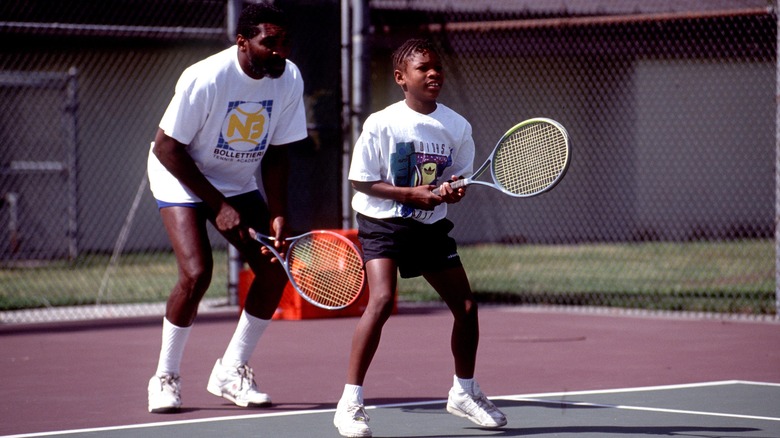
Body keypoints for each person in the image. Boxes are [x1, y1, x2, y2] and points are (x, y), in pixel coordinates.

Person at [333, 38, 507, 437]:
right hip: (383, 222)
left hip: (429, 227)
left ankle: (463, 393)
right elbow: (360, 180)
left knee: (465, 307)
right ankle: (350, 403)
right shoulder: (382, 122)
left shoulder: (457, 126)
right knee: (380, 300)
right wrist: (410, 194)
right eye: (422, 68)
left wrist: (453, 191)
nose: (433, 74)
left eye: (437, 68)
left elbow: (456, 181)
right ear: (401, 78)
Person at [145, 2, 308, 413]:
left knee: (274, 267)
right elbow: (167, 147)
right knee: (197, 273)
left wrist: (277, 210)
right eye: (269, 42)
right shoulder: (206, 77)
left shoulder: (288, 79)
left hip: (233, 178)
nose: (279, 51)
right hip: (179, 171)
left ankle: (231, 370)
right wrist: (217, 205)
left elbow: (277, 153)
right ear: (243, 42)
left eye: (284, 42)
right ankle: (165, 377)